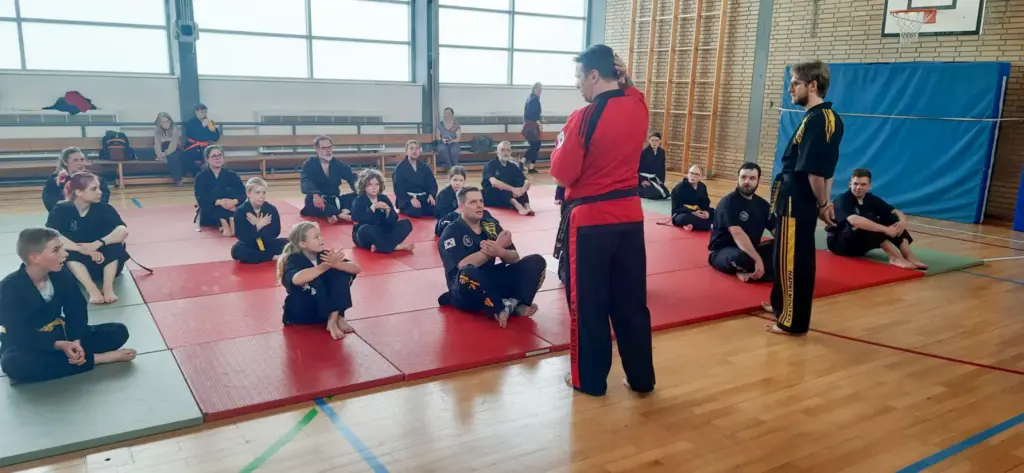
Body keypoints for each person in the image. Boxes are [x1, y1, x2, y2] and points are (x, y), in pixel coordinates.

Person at [550, 45, 654, 396]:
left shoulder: (583, 117)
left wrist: (558, 147)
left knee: (588, 304)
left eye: (580, 77)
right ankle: (641, 378)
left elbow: (562, 174)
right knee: (631, 302)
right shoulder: (639, 104)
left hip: (591, 222)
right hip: (630, 217)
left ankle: (590, 380)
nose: (578, 85)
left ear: (594, 75)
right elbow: (629, 87)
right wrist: (624, 77)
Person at [764, 60, 845, 337]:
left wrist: (823, 204)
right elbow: (826, 169)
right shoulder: (816, 118)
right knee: (783, 257)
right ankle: (782, 305)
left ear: (812, 85)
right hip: (793, 199)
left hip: (797, 201)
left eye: (795, 83)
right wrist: (826, 201)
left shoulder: (822, 119)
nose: (790, 89)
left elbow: (815, 172)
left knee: (792, 261)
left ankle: (792, 320)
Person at [0, 228, 136, 384]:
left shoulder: (61, 275)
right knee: (13, 365)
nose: (64, 254)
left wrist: (75, 340)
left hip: (62, 333)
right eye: (56, 250)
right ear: (34, 257)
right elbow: (17, 333)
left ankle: (65, 359)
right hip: (28, 343)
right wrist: (58, 345)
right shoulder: (9, 288)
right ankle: (97, 359)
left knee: (118, 331)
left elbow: (76, 311)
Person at [437, 187, 546, 328]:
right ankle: (500, 307)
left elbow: (514, 258)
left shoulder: (490, 225)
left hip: (491, 278)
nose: (479, 205)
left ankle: (511, 304)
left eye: (481, 201)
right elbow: (463, 266)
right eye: (473, 202)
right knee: (468, 273)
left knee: (536, 262)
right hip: (465, 288)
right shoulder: (451, 232)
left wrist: (501, 251)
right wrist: (494, 248)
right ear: (461, 207)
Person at [45, 172, 130, 305]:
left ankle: (108, 288)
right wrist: (82, 249)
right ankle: (92, 289)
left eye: (99, 188)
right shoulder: (61, 209)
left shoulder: (104, 208)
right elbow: (51, 235)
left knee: (115, 245)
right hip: (78, 263)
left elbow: (122, 230)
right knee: (65, 252)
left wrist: (97, 244)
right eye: (94, 189)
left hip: (104, 259)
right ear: (78, 192)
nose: (100, 192)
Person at [827, 168, 927, 270]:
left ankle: (908, 255)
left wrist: (902, 222)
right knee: (866, 221)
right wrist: (886, 230)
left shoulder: (870, 198)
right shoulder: (842, 199)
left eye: (863, 184)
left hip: (860, 246)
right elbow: (854, 220)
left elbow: (894, 211)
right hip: (840, 244)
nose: (858, 187)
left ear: (869, 186)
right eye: (855, 184)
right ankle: (895, 257)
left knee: (891, 218)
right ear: (850, 184)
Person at [278, 222, 361, 340]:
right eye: (316, 237)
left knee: (341, 273)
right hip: (305, 312)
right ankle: (335, 318)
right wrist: (325, 266)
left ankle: (334, 319)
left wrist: (337, 264)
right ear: (303, 243)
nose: (321, 239)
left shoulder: (324, 255)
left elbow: (357, 269)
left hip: (329, 309)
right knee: (319, 277)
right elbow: (296, 279)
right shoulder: (293, 259)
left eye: (320, 235)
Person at [708, 163, 775, 282]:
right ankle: (755, 269)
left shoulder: (763, 205)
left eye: (752, 178)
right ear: (738, 179)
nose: (747, 181)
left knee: (783, 247)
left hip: (752, 249)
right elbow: (738, 234)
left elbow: (776, 230)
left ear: (758, 180)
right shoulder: (728, 203)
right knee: (742, 257)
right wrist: (758, 259)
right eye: (743, 177)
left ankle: (753, 270)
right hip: (724, 252)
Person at [351, 169, 414, 254]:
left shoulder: (383, 198)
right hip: (367, 233)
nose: (374, 188)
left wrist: (388, 210)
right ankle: (395, 247)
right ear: (364, 187)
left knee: (406, 223)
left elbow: (394, 220)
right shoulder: (359, 200)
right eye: (370, 185)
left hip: (383, 231)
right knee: (364, 230)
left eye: (377, 184)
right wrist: (371, 210)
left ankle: (379, 246)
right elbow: (357, 219)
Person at [300, 135, 357, 224]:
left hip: (334, 200)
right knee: (312, 201)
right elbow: (305, 180)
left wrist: (361, 189)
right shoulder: (309, 164)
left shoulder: (338, 164)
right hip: (319, 200)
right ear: (317, 149)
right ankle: (342, 215)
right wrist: (315, 194)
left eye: (329, 147)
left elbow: (352, 177)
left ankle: (334, 213)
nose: (328, 150)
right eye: (324, 148)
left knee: (360, 195)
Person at [231, 177, 288, 264]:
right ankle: (268, 256)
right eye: (257, 193)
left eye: (263, 193)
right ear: (249, 193)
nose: (261, 196)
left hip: (268, 243)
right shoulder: (240, 211)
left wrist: (257, 226)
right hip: (250, 244)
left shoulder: (271, 209)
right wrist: (258, 226)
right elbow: (241, 236)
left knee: (290, 243)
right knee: (237, 251)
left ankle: (261, 256)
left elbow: (275, 232)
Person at [194, 145, 245, 237]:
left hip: (232, 207)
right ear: (207, 159)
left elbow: (242, 192)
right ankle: (224, 222)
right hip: (210, 212)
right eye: (214, 156)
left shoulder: (232, 174)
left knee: (229, 191)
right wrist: (219, 202)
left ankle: (231, 220)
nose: (217, 158)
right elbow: (200, 197)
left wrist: (234, 201)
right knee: (215, 193)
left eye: (219, 155)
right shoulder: (200, 176)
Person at [42, 147, 111, 212]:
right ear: (65, 162)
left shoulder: (92, 177)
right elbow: (49, 200)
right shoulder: (55, 180)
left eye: (82, 159)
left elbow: (104, 195)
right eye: (75, 160)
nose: (80, 163)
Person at [483, 141, 534, 216]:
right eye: (503, 150)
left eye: (508, 150)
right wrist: (513, 189)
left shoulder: (513, 166)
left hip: (509, 196)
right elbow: (494, 182)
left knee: (520, 184)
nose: (506, 152)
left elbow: (526, 181)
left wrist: (522, 190)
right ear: (497, 152)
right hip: (492, 196)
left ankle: (527, 206)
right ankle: (518, 206)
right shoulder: (490, 165)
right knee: (502, 187)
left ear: (510, 152)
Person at [393, 140, 438, 218]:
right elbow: (398, 188)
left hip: (423, 197)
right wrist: (410, 199)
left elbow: (432, 183)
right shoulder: (400, 168)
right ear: (406, 151)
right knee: (416, 211)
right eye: (411, 148)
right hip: (408, 199)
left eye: (417, 148)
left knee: (436, 210)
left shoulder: (424, 167)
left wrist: (431, 195)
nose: (414, 151)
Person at [181, 103, 220, 179]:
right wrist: (203, 127)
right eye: (202, 112)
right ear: (196, 112)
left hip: (205, 146)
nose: (204, 114)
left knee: (212, 154)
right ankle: (196, 176)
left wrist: (213, 129)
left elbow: (215, 137)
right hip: (193, 146)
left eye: (205, 112)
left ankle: (212, 176)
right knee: (189, 156)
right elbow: (196, 136)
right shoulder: (191, 123)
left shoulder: (209, 123)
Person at [669, 165, 714, 231]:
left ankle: (692, 225)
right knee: (683, 218)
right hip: (683, 213)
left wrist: (706, 212)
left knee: (715, 212)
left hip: (698, 212)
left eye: (696, 174)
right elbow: (677, 208)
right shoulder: (680, 187)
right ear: (688, 174)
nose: (693, 176)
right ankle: (707, 225)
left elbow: (705, 203)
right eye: (691, 173)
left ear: (701, 177)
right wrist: (693, 212)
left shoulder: (702, 187)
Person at [153, 112, 183, 186]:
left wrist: (165, 153)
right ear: (159, 123)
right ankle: (162, 157)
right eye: (163, 122)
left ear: (170, 121)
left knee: (173, 157)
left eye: (167, 121)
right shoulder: (157, 130)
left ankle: (178, 179)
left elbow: (173, 144)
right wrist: (159, 153)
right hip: (163, 147)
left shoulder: (174, 129)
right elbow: (157, 143)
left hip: (173, 148)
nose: (165, 124)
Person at [637, 132, 670, 200]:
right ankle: (637, 190)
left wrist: (661, 181)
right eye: (652, 140)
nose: (654, 143)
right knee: (653, 194)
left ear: (660, 141)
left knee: (666, 193)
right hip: (643, 178)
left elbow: (662, 168)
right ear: (649, 141)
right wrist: (641, 180)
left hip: (654, 178)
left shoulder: (661, 152)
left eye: (656, 140)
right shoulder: (644, 152)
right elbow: (636, 168)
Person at [522, 82, 543, 174]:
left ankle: (523, 162)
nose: (540, 91)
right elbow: (534, 114)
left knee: (533, 145)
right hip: (533, 126)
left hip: (527, 126)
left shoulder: (529, 99)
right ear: (535, 89)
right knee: (536, 145)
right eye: (539, 89)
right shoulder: (535, 100)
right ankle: (530, 166)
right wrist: (539, 123)